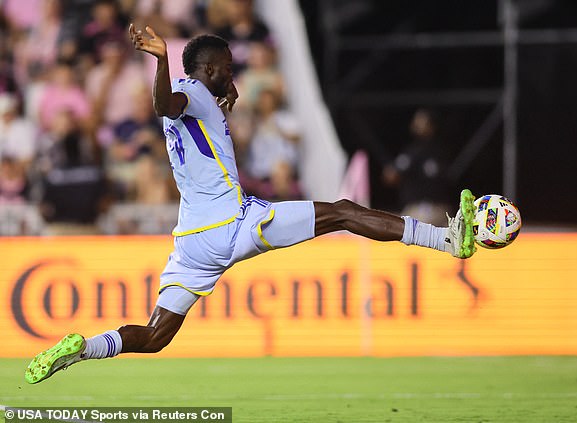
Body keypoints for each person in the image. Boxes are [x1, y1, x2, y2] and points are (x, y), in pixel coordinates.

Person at [25, 25, 477, 384]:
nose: (232, 72)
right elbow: (167, 103)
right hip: (234, 223)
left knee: (155, 334)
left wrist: (220, 98)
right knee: (341, 210)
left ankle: (83, 348)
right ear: (207, 68)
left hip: (191, 242)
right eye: (226, 66)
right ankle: (447, 239)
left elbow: (179, 111)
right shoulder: (193, 93)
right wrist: (161, 58)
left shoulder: (202, 96)